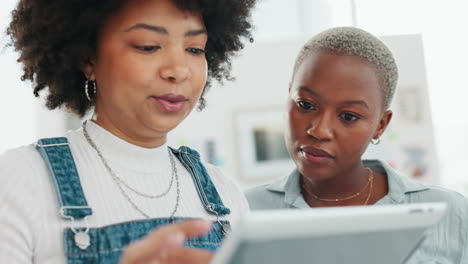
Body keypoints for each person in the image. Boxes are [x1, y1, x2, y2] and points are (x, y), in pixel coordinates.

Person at [0, 0, 256, 263]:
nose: (179, 70)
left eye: (194, 49)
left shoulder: (225, 194)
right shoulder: (22, 178)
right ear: (89, 59)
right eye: (148, 46)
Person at [245, 27, 468, 263]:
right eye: (306, 105)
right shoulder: (242, 209)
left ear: (381, 125)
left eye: (349, 116)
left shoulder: (450, 213)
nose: (319, 130)